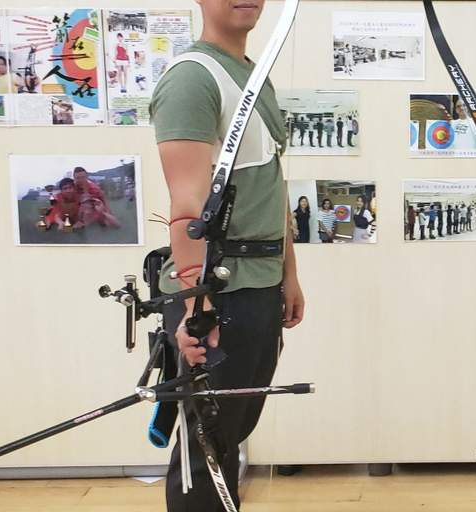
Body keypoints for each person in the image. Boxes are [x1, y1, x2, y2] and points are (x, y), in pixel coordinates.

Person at [148, 0, 306, 508]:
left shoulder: (252, 74)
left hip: (257, 287)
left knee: (229, 438)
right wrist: (195, 306)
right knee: (206, 454)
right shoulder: (193, 78)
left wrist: (289, 275)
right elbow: (187, 206)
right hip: (218, 293)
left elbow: (273, 188)